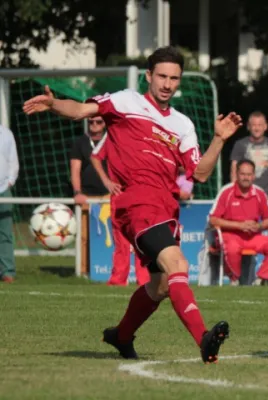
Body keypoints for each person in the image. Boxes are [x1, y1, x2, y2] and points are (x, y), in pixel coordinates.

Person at [23, 46, 242, 364]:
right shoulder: (126, 101)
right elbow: (81, 111)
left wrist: (219, 139)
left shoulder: (183, 125)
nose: (167, 84)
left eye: (174, 79)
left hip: (166, 210)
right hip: (136, 204)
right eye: (162, 77)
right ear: (148, 76)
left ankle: (121, 336)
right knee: (178, 266)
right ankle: (204, 339)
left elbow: (202, 173)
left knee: (161, 284)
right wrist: (55, 103)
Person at [209, 159, 268, 286]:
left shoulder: (259, 193)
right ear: (237, 174)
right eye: (243, 174)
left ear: (254, 176)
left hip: (253, 236)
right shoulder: (226, 192)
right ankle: (235, 280)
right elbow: (213, 220)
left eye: (249, 175)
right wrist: (239, 225)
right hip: (230, 236)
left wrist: (259, 226)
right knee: (232, 247)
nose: (246, 178)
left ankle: (261, 280)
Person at [91, 136, 150, 286]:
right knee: (121, 240)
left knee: (142, 240)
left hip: (143, 193)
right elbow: (95, 156)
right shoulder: (112, 131)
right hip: (120, 194)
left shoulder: (147, 127)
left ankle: (144, 281)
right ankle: (118, 280)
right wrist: (106, 182)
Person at [70, 116, 109, 275]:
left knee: (110, 235)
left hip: (108, 195)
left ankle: (107, 269)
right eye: (91, 121)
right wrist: (78, 192)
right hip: (86, 195)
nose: (94, 125)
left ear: (105, 123)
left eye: (99, 122)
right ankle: (84, 271)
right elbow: (75, 170)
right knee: (84, 237)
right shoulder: (80, 142)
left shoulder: (112, 140)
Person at [230, 111, 268, 208]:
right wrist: (235, 194)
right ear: (248, 127)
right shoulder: (239, 144)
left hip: (266, 197)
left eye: (260, 125)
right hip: (244, 196)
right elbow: (234, 171)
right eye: (254, 125)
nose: (257, 128)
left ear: (265, 127)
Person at [0, 124, 19, 283]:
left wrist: (10, 181)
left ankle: (7, 272)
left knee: (5, 234)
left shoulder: (6, 134)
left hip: (3, 190)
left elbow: (13, 161)